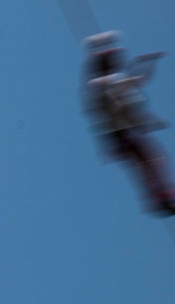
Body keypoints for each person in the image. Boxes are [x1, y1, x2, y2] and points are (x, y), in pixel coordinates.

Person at [83, 31, 175, 216]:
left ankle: (161, 196)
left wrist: (148, 62)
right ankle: (160, 197)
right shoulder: (102, 83)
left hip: (121, 132)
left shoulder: (108, 82)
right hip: (120, 134)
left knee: (151, 161)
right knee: (149, 161)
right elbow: (130, 86)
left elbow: (138, 80)